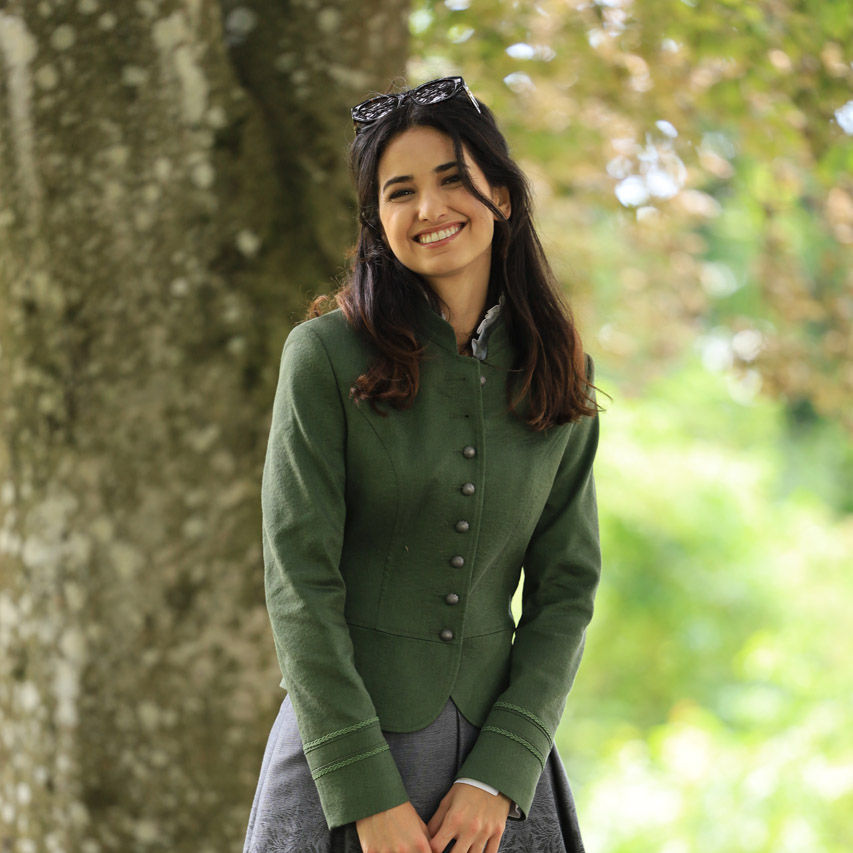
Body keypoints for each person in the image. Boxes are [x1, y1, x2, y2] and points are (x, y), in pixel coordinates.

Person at [242, 76, 601, 853]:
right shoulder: (324, 356)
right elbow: (299, 581)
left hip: (499, 775)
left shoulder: (560, 371)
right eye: (398, 191)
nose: (428, 209)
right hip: (344, 764)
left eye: (450, 179)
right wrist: (367, 794)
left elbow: (566, 590)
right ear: (377, 219)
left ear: (501, 194)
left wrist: (501, 771)